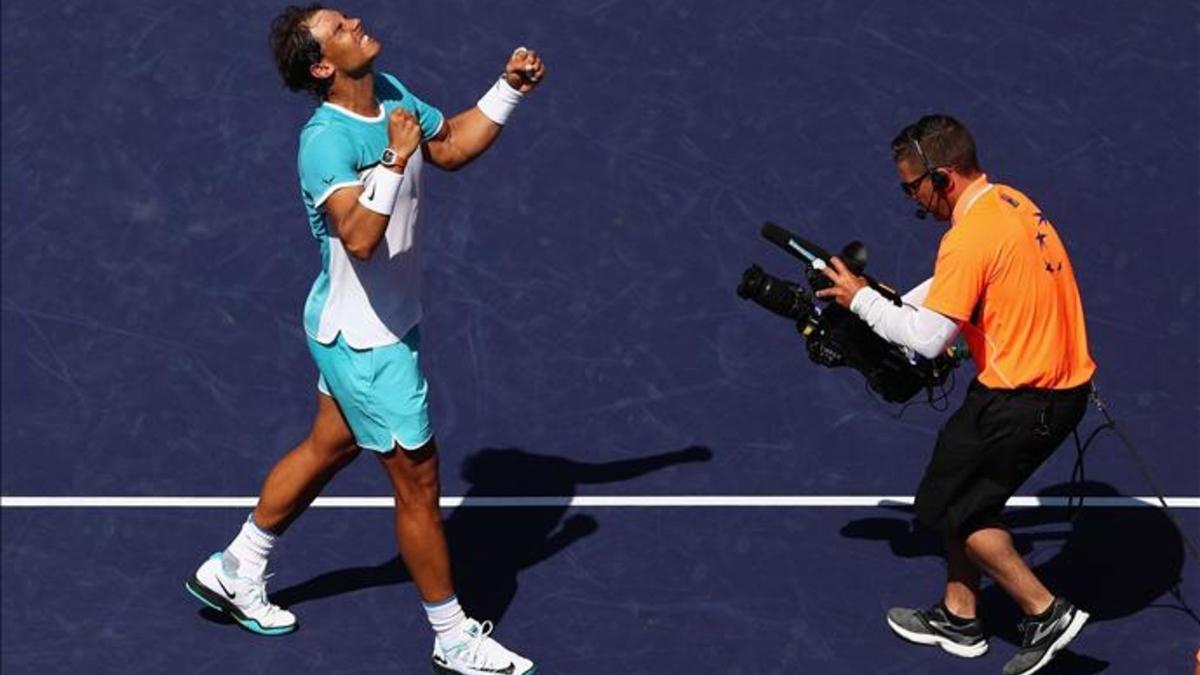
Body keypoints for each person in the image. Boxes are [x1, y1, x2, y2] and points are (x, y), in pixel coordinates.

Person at [184, 6, 545, 674]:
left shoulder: (391, 93)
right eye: (340, 29)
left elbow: (453, 146)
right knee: (419, 482)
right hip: (365, 340)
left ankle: (237, 565)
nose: (355, 20)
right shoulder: (324, 142)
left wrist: (508, 89)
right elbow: (359, 235)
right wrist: (392, 157)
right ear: (322, 65)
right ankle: (452, 635)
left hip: (381, 324)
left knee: (332, 442)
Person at [816, 114, 1096, 675]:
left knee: (955, 507)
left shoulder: (968, 236)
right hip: (1051, 390)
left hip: (1022, 402)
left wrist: (859, 303)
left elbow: (927, 339)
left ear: (941, 177)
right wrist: (879, 298)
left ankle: (1045, 611)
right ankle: (960, 615)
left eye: (912, 187)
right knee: (957, 481)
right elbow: (957, 291)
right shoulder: (1012, 204)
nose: (912, 200)